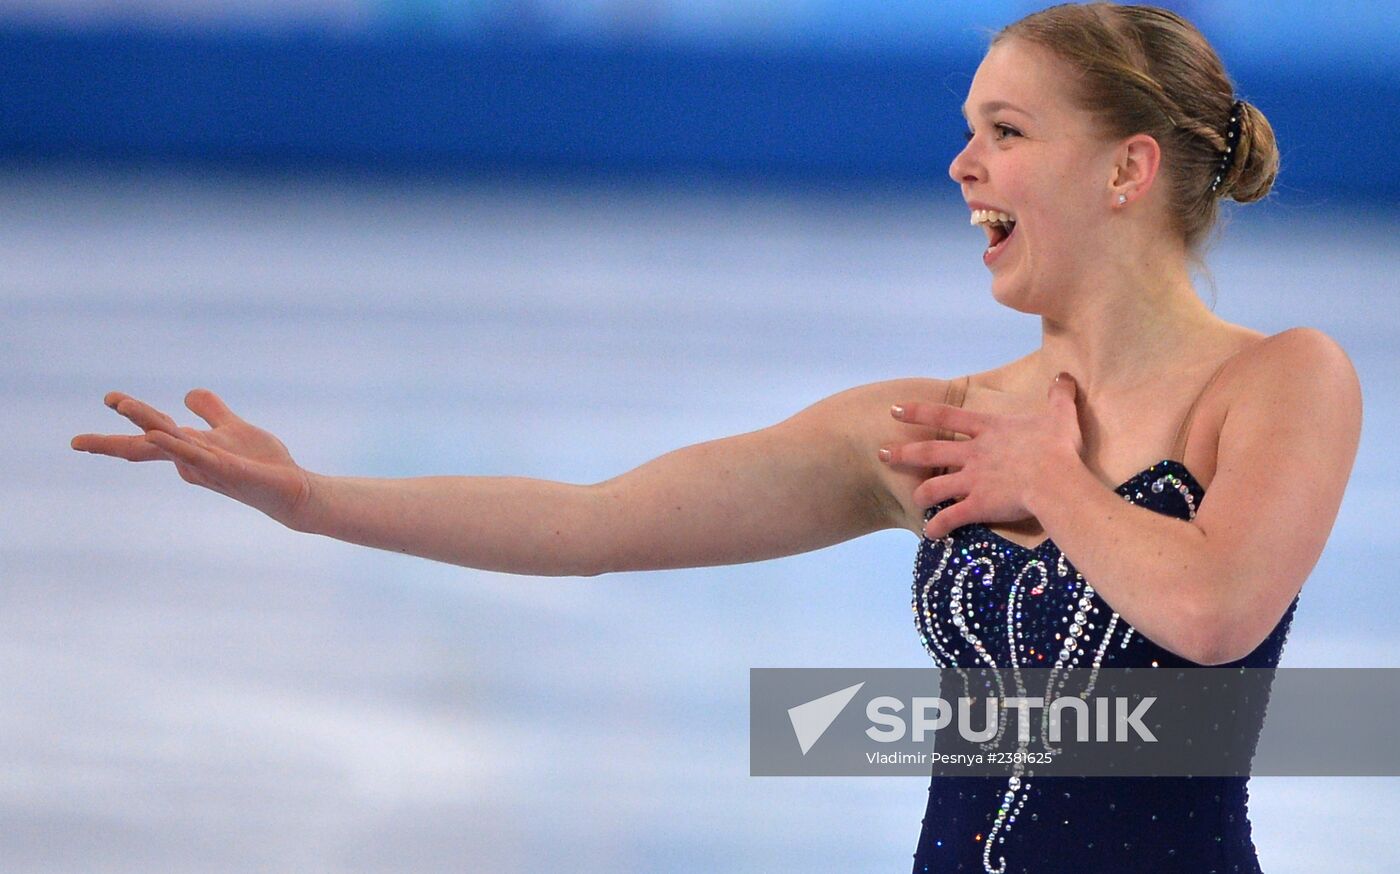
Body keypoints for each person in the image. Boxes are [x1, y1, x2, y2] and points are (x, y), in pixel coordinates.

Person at [72, 2, 1361, 871]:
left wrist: (1046, 480)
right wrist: (318, 499)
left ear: (1127, 170)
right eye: (967, 132)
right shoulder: (932, 424)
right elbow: (598, 523)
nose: (962, 167)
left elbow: (1213, 613)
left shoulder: (1279, 382)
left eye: (1006, 133)